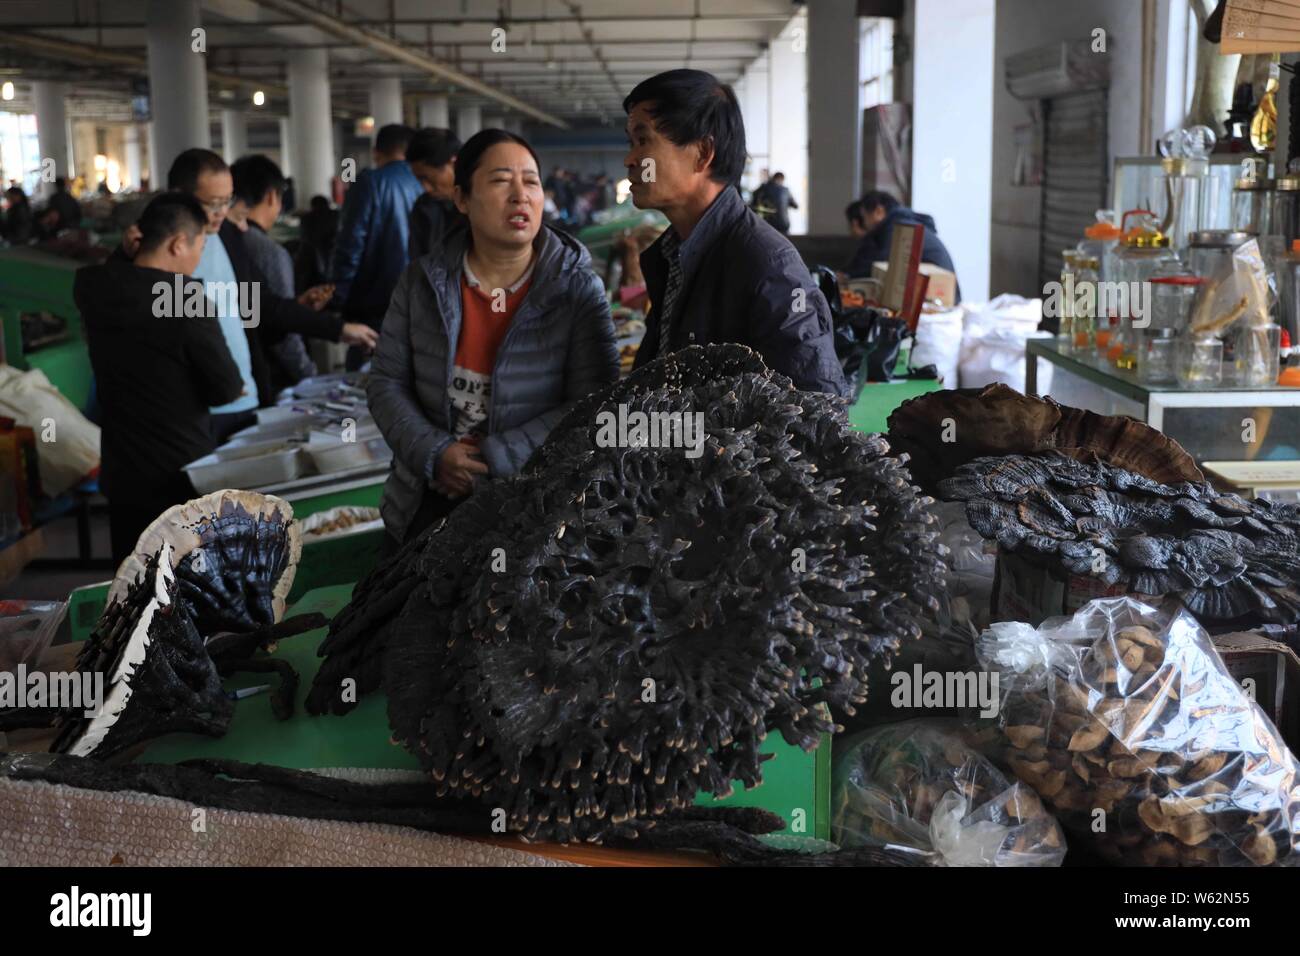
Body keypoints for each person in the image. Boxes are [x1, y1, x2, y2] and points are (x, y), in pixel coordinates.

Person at [369, 128, 619, 549]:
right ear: (462, 198)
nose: (520, 195)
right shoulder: (421, 283)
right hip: (427, 499)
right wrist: (436, 453)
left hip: (532, 509)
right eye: (502, 180)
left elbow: (595, 402)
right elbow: (385, 382)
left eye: (532, 181)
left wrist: (496, 459)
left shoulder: (576, 289)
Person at [120, 149, 377, 442]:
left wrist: (335, 328)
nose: (221, 213)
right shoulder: (157, 254)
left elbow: (256, 303)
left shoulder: (227, 236)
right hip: (193, 415)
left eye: (226, 201)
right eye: (212, 203)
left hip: (244, 400)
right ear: (177, 195)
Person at [622, 69, 846, 395]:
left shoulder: (770, 266)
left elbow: (819, 413)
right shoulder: (675, 253)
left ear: (702, 153)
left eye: (643, 141)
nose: (630, 159)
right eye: (631, 143)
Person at [75, 193, 245, 564]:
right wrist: (235, 386)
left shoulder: (93, 286)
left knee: (134, 584)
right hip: (179, 472)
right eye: (199, 246)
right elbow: (226, 389)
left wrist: (123, 255)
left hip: (123, 474)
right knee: (187, 586)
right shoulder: (186, 296)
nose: (199, 258)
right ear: (177, 243)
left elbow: (119, 276)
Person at [329, 123, 424, 368]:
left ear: (376, 151)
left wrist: (338, 295)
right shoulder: (427, 183)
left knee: (364, 379)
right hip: (419, 302)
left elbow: (350, 243)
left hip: (373, 301)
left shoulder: (369, 182)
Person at [231, 154, 322, 386]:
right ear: (272, 196)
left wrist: (297, 305)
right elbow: (284, 331)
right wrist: (309, 376)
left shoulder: (217, 242)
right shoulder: (269, 252)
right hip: (270, 375)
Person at [844, 190, 959, 299]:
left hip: (938, 296)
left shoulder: (898, 228)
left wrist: (848, 276)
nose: (865, 223)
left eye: (865, 217)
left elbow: (882, 261)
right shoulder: (902, 223)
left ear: (878, 211)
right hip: (941, 293)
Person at [406, 127, 463, 260]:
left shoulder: (483, 204)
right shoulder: (423, 207)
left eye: (428, 178)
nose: (426, 188)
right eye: (419, 180)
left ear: (453, 163)